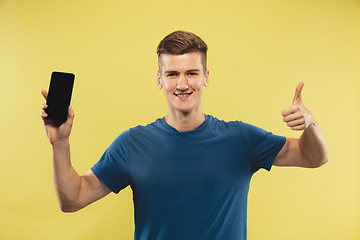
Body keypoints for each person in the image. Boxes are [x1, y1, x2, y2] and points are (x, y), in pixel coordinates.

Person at [40, 30, 328, 240]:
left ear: (205, 77)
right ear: (159, 79)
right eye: (172, 74)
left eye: (191, 73)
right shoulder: (132, 144)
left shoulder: (241, 139)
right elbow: (72, 199)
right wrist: (60, 144)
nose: (182, 83)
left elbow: (313, 157)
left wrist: (311, 124)